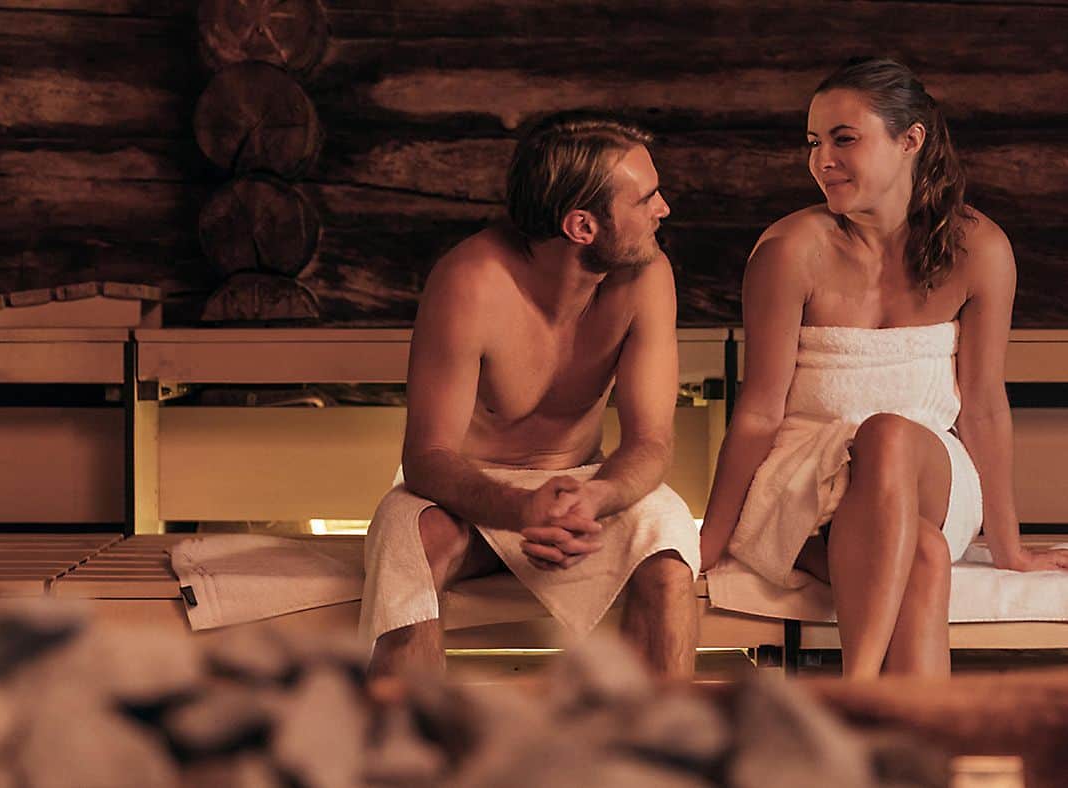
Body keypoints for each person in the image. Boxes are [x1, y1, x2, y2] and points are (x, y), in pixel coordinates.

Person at [699, 57, 1068, 679]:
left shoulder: (980, 250)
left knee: (890, 433)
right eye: (814, 142)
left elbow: (981, 404)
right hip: (806, 487)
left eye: (845, 139)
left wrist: (1008, 547)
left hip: (931, 477)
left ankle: (856, 683)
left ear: (910, 140)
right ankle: (909, 751)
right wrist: (711, 542)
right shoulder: (790, 252)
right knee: (921, 555)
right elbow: (761, 408)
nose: (823, 160)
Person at [360, 113, 701, 680]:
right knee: (408, 535)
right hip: (467, 493)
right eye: (646, 200)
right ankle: (410, 750)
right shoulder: (471, 281)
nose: (663, 210)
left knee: (668, 542)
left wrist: (598, 496)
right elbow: (426, 457)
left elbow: (652, 442)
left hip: (586, 485)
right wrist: (520, 509)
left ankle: (661, 761)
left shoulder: (646, 277)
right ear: (581, 226)